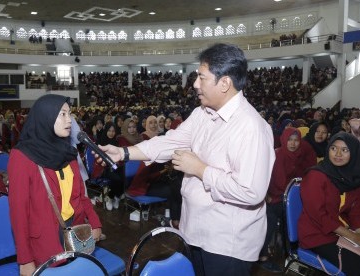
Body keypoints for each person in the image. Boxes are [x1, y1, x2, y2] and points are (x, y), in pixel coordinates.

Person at [99, 43, 275, 275]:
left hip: (227, 242)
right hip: (196, 230)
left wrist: (201, 169)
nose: (195, 84)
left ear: (225, 83)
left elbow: (251, 191)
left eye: (202, 77)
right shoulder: (203, 113)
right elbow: (170, 141)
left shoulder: (251, 127)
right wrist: (124, 153)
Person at [7, 94, 102, 276]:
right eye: (63, 114)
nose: (69, 120)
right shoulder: (22, 156)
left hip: (76, 234)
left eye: (70, 114)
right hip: (45, 240)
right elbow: (19, 213)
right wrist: (25, 259)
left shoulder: (68, 152)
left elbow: (81, 196)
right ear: (46, 117)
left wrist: (95, 223)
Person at [298, 132, 360, 276]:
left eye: (345, 150)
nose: (338, 154)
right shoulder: (315, 176)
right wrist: (353, 237)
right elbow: (319, 216)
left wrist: (358, 230)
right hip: (317, 235)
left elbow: (354, 211)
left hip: (341, 231)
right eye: (333, 148)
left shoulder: (353, 178)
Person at [258, 127, 317, 272]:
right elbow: (263, 176)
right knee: (270, 223)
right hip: (273, 197)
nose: (293, 143)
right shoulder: (276, 155)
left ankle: (291, 253)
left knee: (300, 219)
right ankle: (262, 256)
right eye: (289, 139)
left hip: (290, 198)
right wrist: (266, 195)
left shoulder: (301, 156)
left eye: (296, 140)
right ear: (284, 140)